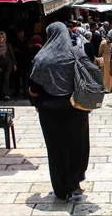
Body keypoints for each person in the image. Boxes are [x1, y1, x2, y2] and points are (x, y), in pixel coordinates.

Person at [29, 22, 90, 200]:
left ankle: (60, 189)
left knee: (55, 150)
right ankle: (74, 181)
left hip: (49, 112)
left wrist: (38, 101)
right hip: (75, 108)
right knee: (76, 146)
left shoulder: (42, 58)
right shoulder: (76, 54)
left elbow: (34, 89)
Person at [0, 31, 17, 101]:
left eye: (2, 37)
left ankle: (6, 94)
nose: (1, 38)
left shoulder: (7, 44)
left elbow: (12, 54)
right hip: (0, 64)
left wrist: (15, 64)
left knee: (6, 78)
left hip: (9, 64)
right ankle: (1, 94)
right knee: (0, 79)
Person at [12, 29, 31, 98]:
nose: (20, 34)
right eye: (19, 33)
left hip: (25, 62)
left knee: (25, 78)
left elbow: (28, 53)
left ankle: (26, 92)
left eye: (21, 33)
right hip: (18, 62)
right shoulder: (16, 42)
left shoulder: (26, 42)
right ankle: (17, 91)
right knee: (17, 78)